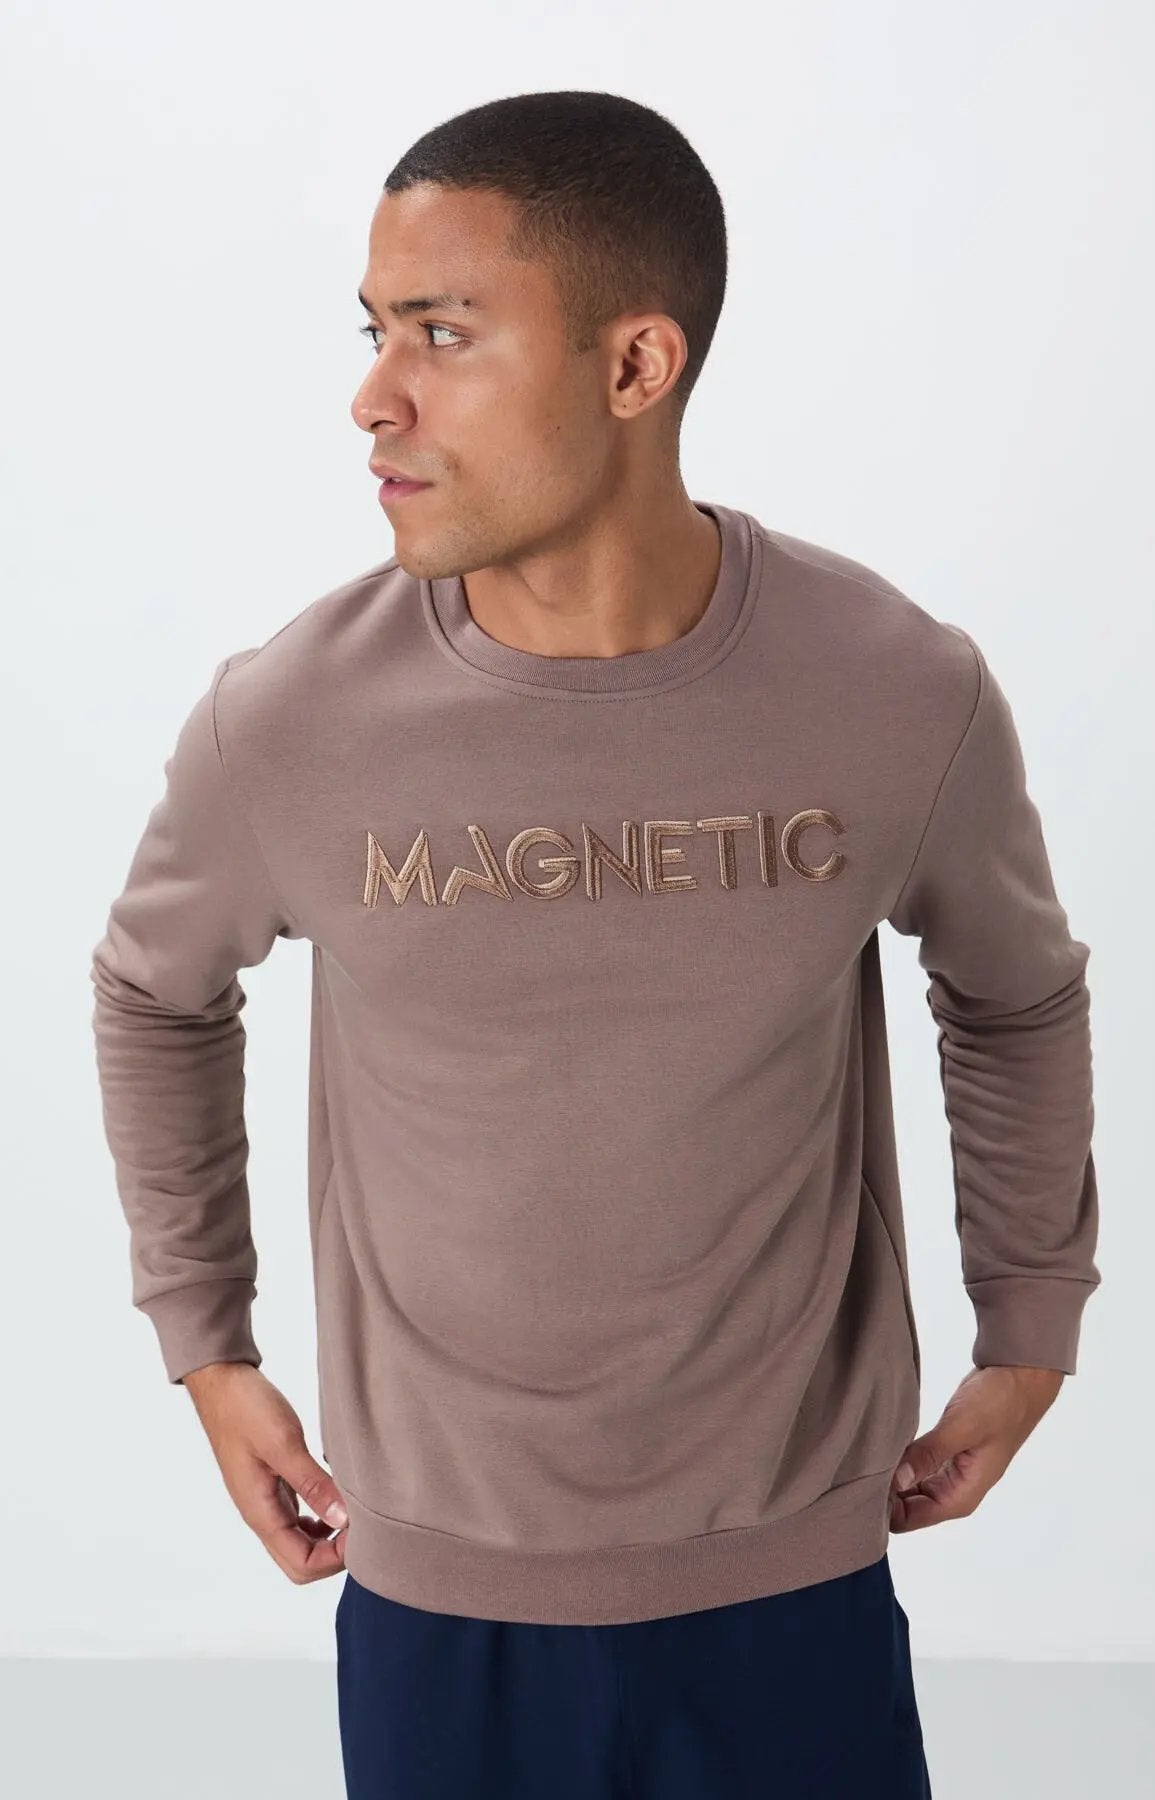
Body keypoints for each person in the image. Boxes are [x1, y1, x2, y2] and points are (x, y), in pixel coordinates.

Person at [90, 88, 1101, 1799]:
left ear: (637, 366)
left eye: (442, 334)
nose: (374, 395)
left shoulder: (894, 691)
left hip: (795, 1580)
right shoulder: (293, 724)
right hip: (438, 1601)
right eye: (373, 331)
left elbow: (1013, 994)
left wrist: (1033, 1323)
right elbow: (153, 994)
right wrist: (207, 1343)